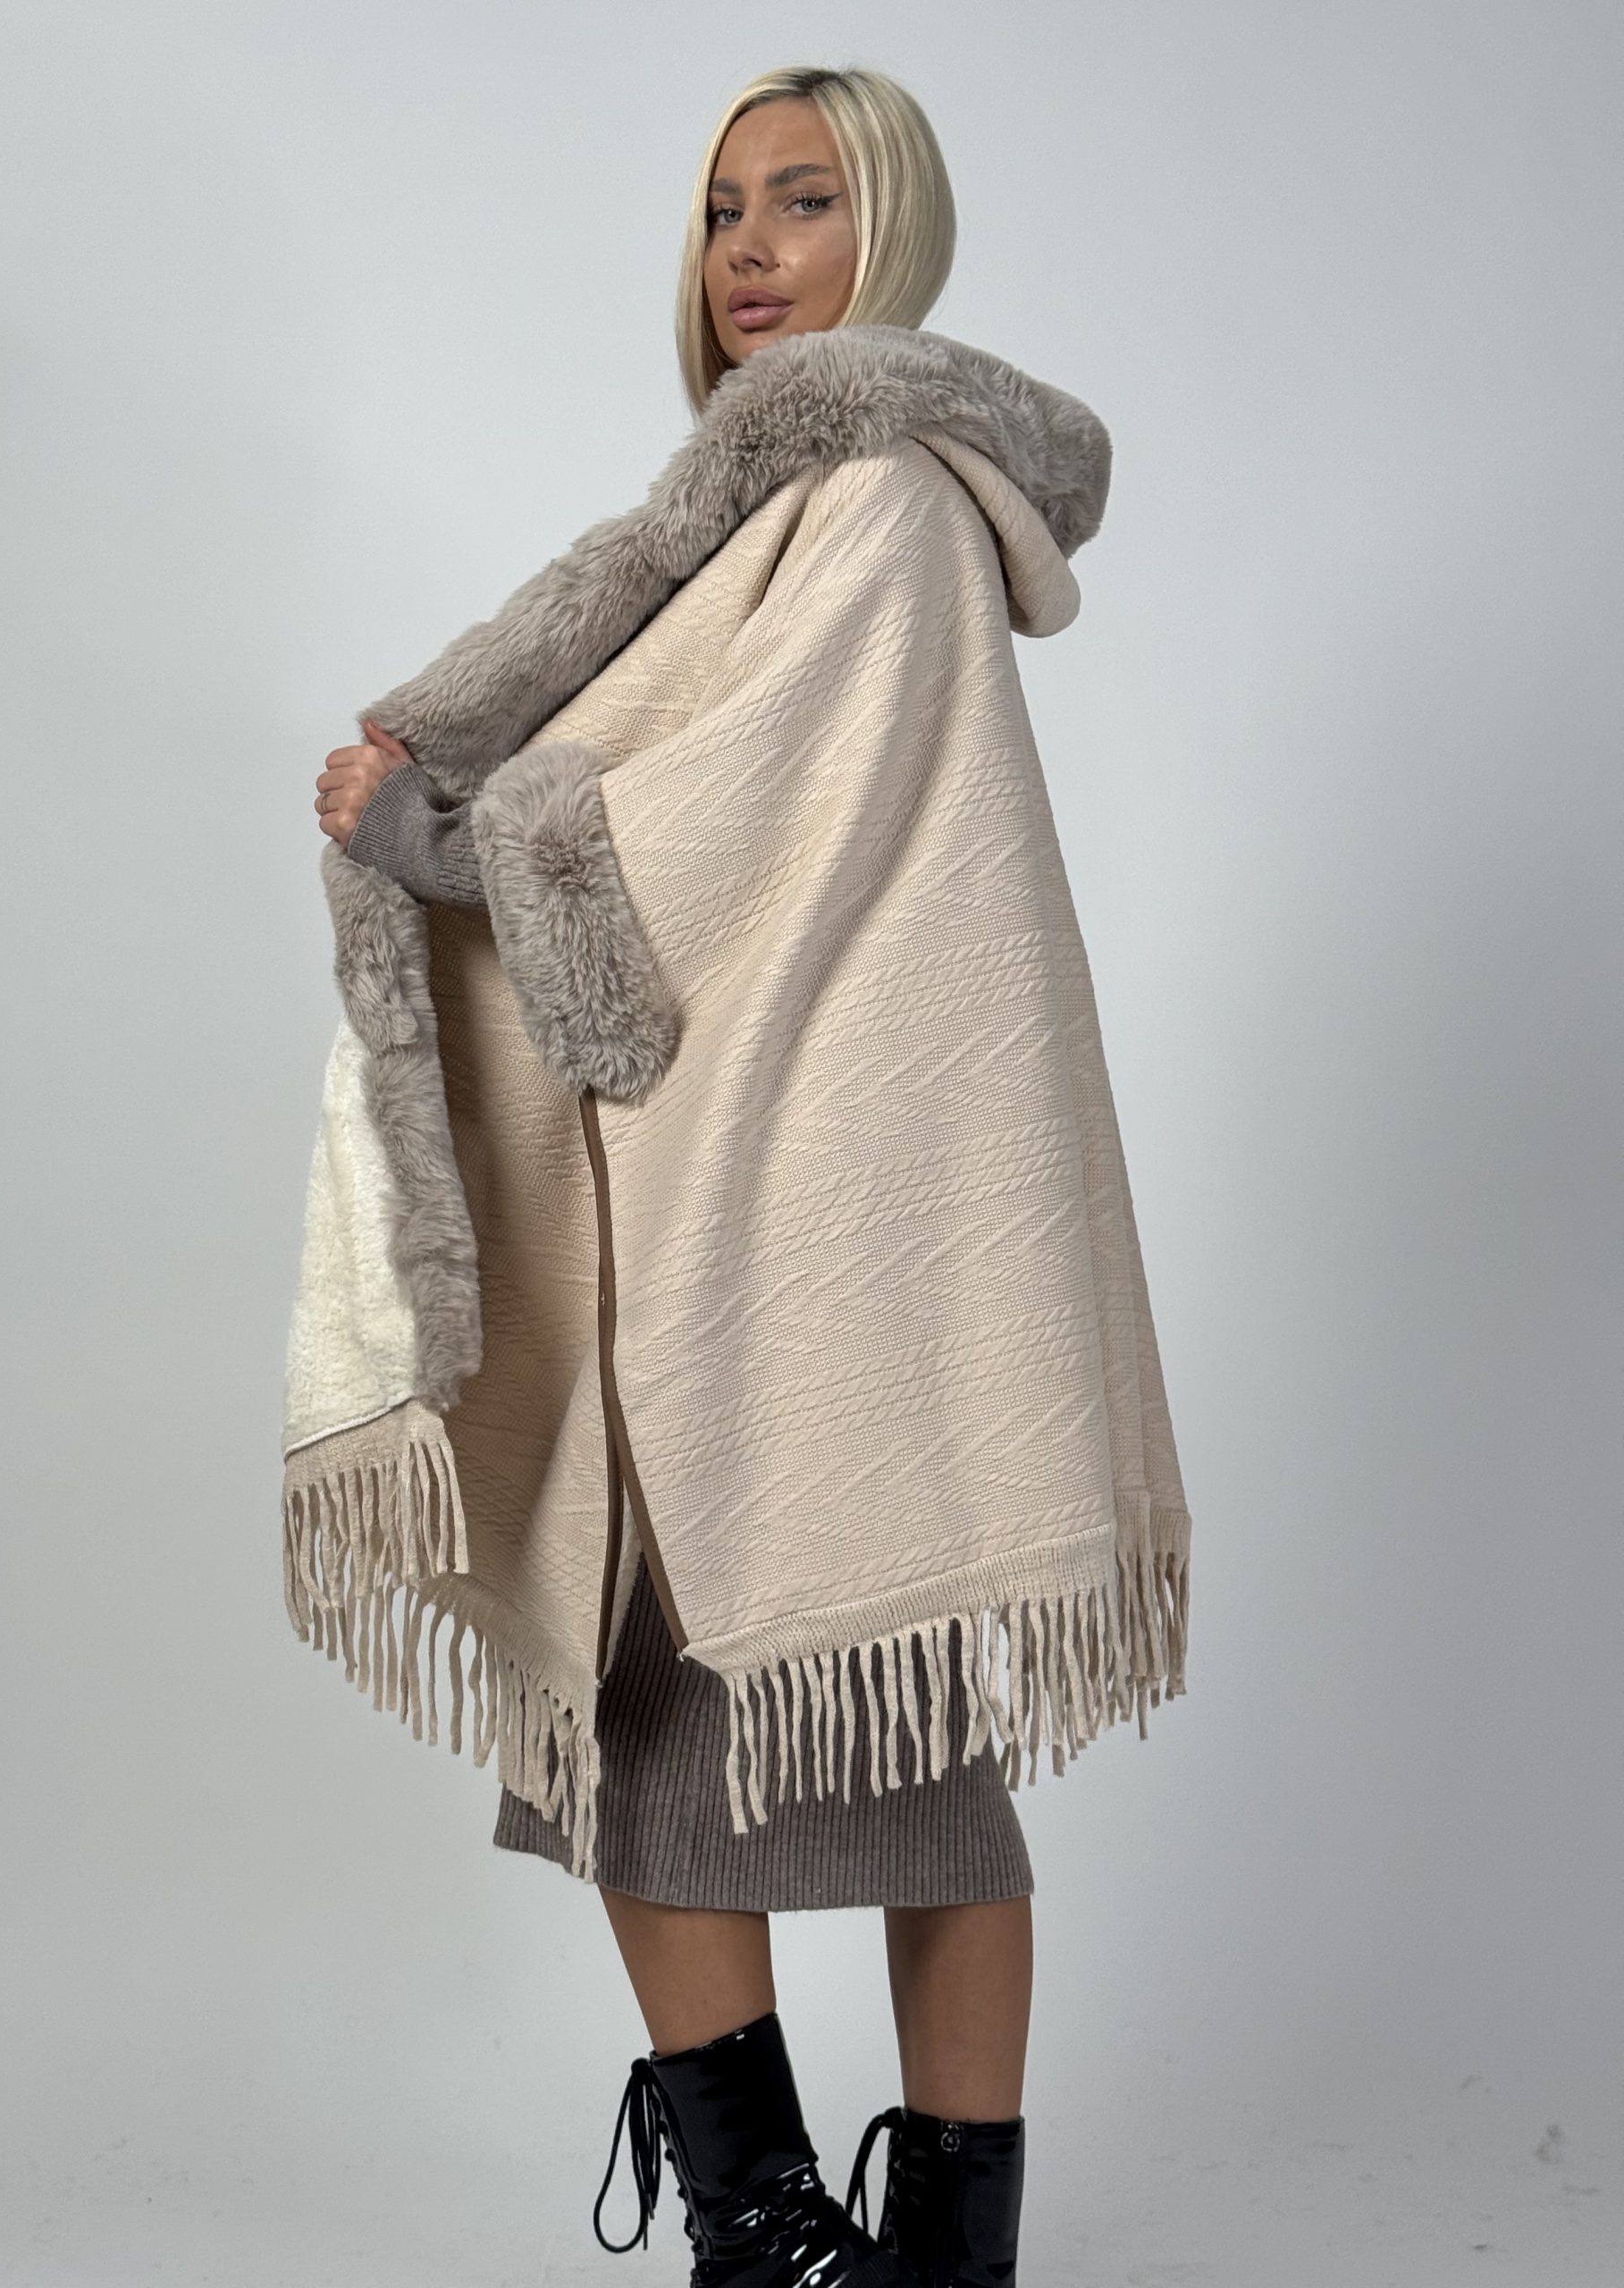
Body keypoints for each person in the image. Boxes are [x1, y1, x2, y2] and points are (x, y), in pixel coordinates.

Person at [294, 61, 1192, 2288]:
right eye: (722, 212)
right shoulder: (763, 511)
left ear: (894, 228)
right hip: (736, 1195)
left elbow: (697, 841)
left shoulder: (881, 500)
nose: (752, 252)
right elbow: (668, 807)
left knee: (832, 1738)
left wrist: (432, 834)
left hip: (805, 1224)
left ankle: (857, 2244)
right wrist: (459, 808)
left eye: (803, 201)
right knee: (713, 1730)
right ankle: (797, 2228)